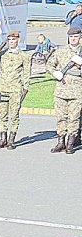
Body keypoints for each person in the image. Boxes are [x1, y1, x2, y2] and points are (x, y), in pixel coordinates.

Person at [0, 31, 31, 150]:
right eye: (10, 40)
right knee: (2, 115)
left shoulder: (24, 56)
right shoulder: (3, 55)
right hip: (2, 88)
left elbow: (27, 73)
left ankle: (11, 140)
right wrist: (0, 46)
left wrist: (25, 88)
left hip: (15, 89)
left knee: (14, 115)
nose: (12, 42)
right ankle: (3, 138)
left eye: (14, 39)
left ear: (18, 40)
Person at [47, 25, 82, 154]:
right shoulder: (61, 51)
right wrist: (54, 73)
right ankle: (60, 142)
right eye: (71, 37)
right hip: (61, 90)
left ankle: (70, 144)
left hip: (77, 91)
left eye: (75, 36)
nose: (73, 39)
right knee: (61, 117)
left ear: (80, 37)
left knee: (74, 118)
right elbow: (49, 64)